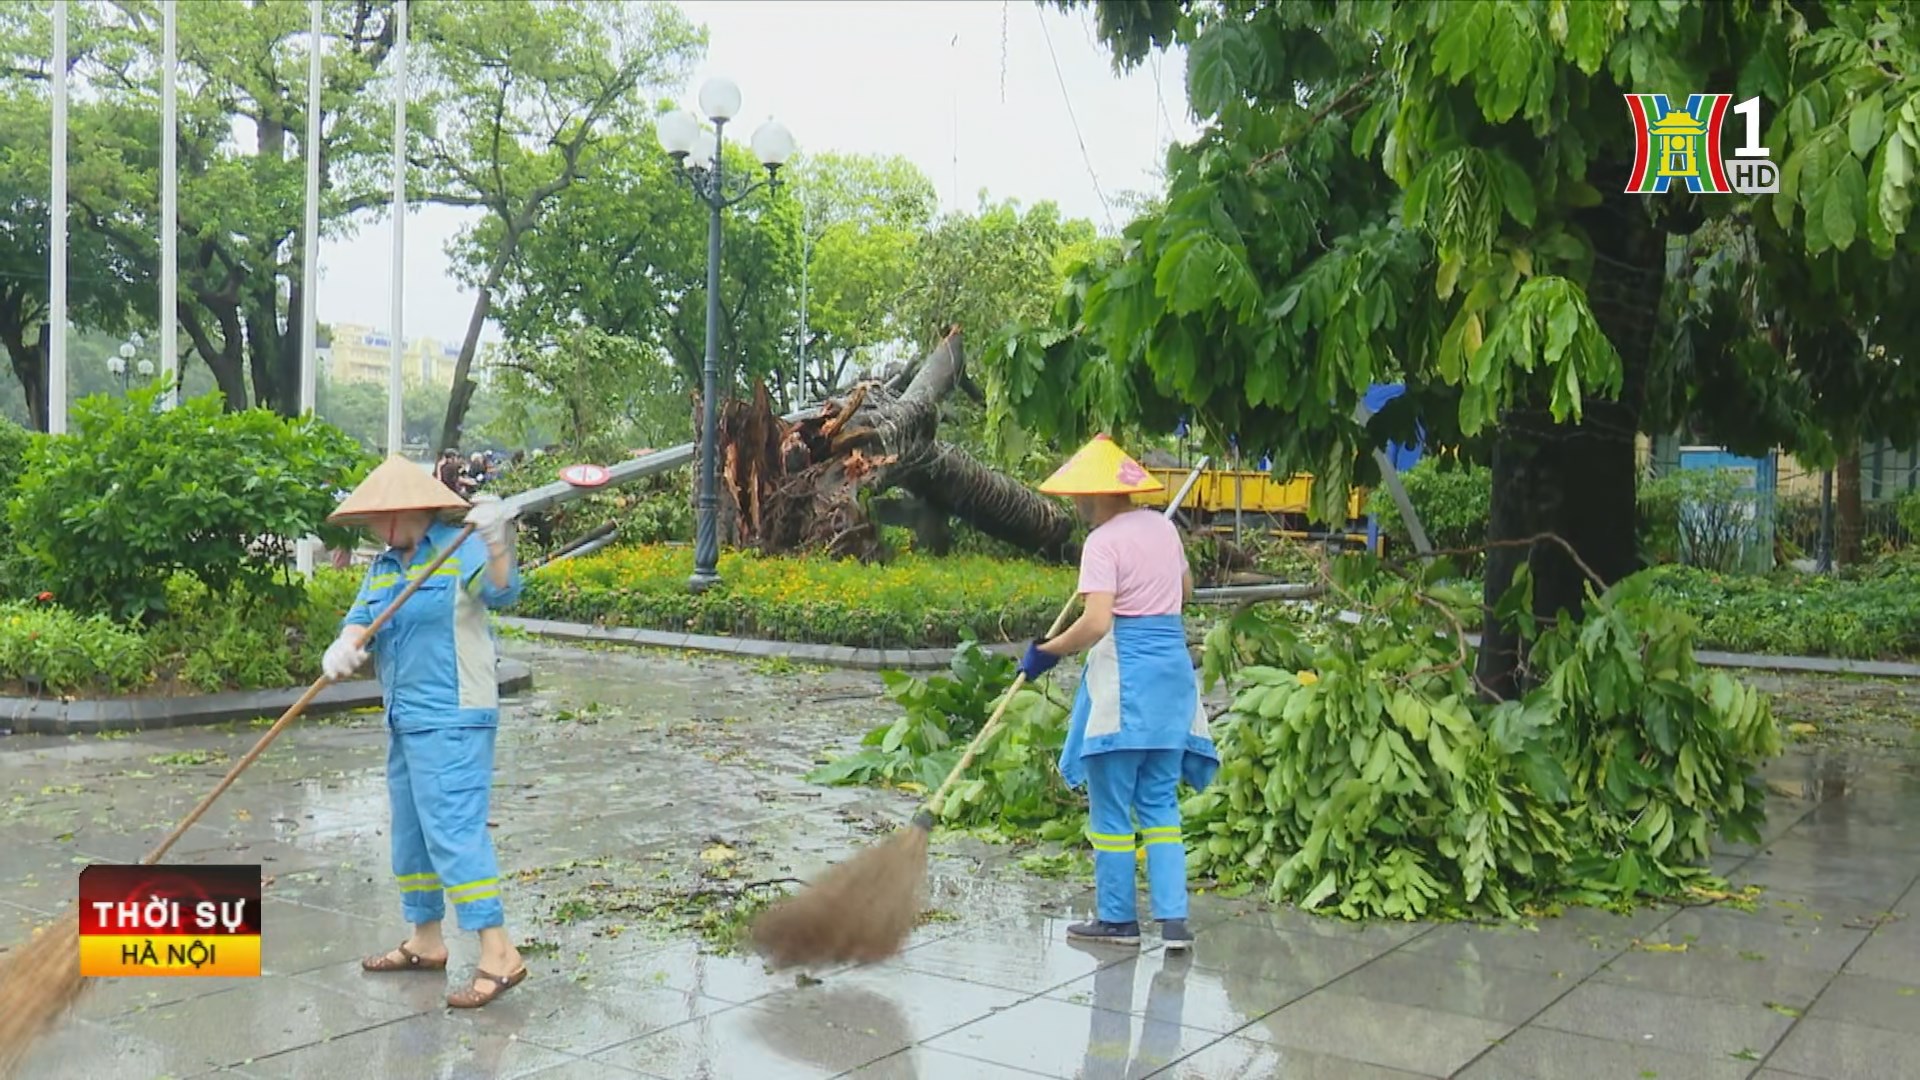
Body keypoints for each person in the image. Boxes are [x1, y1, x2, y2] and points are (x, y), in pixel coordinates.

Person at [318, 455, 528, 1008]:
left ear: (419, 508)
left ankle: (498, 951)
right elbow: (363, 614)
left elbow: (503, 592)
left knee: (454, 832)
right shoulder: (386, 566)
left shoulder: (461, 549)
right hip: (405, 717)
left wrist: (497, 539)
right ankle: (426, 939)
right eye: (374, 520)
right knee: (411, 834)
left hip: (455, 714)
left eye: (391, 516)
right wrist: (346, 644)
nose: (381, 530)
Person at [1016, 434, 1219, 952]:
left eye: (1080, 496)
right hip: (1173, 679)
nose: (1078, 505)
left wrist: (1048, 651)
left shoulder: (1101, 543)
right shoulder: (1162, 528)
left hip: (1126, 682)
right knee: (1158, 802)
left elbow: (1098, 622)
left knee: (1110, 808)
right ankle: (1174, 921)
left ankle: (1117, 921)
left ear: (1094, 494)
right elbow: (1187, 592)